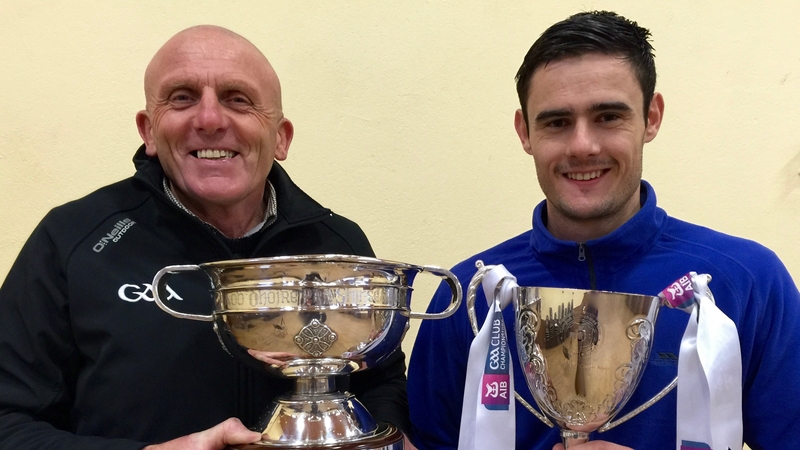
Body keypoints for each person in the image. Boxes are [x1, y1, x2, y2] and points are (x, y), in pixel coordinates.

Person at [0, 25, 411, 450]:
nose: (210, 120)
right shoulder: (72, 240)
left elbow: (380, 382)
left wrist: (384, 437)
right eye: (182, 97)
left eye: (238, 99)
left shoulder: (338, 244)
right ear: (148, 130)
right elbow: (7, 421)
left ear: (281, 138)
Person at [407, 10, 800, 450]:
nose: (582, 146)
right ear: (525, 132)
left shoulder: (749, 281)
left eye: (608, 116)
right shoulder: (468, 297)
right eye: (556, 122)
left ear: (651, 117)